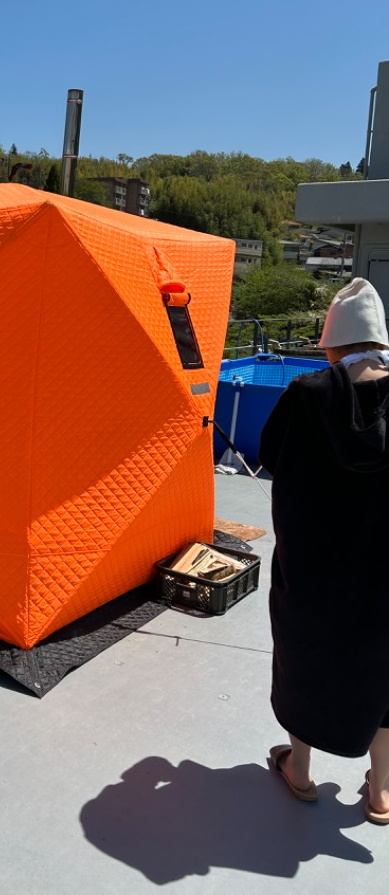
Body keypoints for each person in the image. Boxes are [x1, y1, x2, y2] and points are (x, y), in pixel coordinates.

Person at [258, 278, 389, 823]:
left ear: (334, 345)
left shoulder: (306, 396)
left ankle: (302, 771)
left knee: (304, 657)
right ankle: (382, 792)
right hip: (385, 572)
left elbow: (269, 455)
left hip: (314, 564)